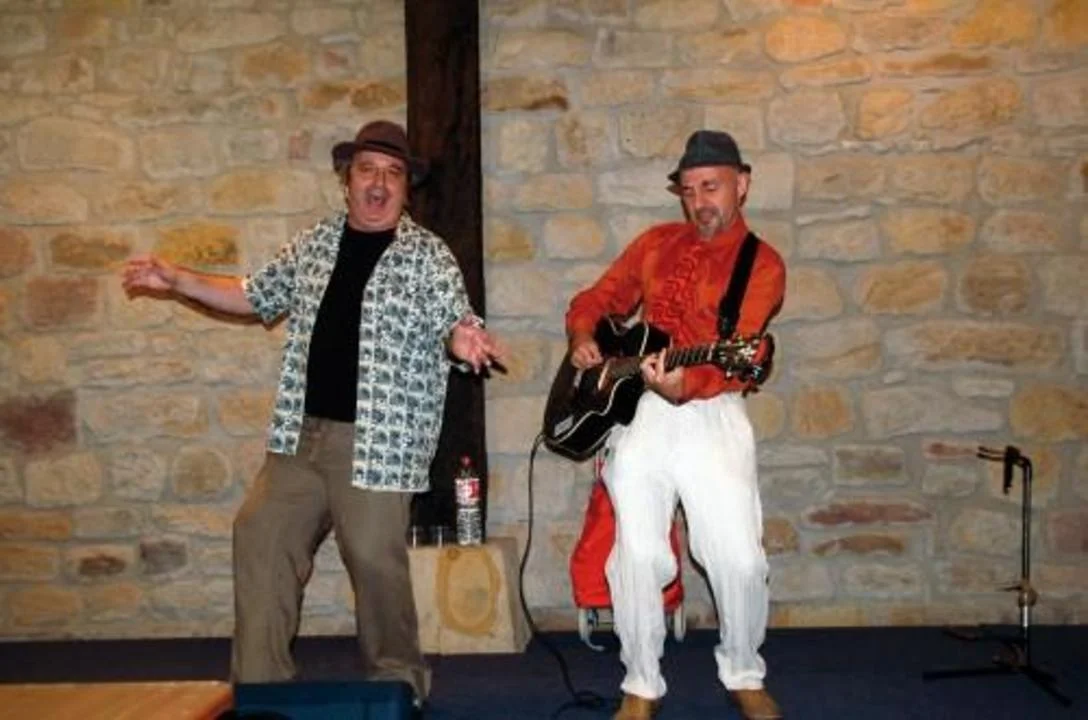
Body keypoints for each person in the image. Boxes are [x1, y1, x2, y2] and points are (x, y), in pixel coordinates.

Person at [121, 120, 502, 710]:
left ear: (406, 189)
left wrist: (463, 337)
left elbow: (454, 317)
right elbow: (254, 294)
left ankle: (399, 684)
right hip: (300, 438)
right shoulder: (316, 243)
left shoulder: (428, 256)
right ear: (347, 180)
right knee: (260, 534)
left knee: (374, 560)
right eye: (367, 170)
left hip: (377, 445)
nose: (379, 183)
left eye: (393, 174)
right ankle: (259, 690)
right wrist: (178, 281)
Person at [565, 130, 786, 720]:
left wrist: (684, 383)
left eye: (711, 187)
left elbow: (740, 353)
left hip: (711, 410)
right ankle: (641, 682)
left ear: (742, 184)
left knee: (738, 556)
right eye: (688, 191)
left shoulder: (761, 263)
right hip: (641, 413)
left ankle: (743, 670)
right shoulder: (656, 243)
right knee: (636, 553)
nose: (699, 202)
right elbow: (601, 296)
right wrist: (584, 334)